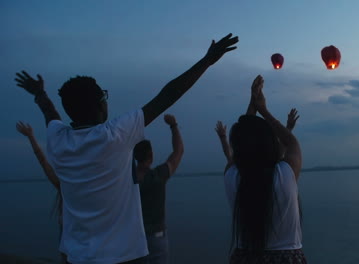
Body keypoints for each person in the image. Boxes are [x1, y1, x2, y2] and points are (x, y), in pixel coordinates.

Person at [14, 33, 238, 264]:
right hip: (122, 257)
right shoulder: (115, 135)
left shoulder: (58, 139)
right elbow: (168, 95)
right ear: (100, 104)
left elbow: (50, 114)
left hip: (77, 256)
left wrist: (40, 94)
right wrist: (207, 61)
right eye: (105, 96)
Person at [221, 75, 306, 263]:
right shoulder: (284, 175)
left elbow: (244, 146)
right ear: (271, 146)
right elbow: (292, 143)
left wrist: (253, 105)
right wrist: (263, 110)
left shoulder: (232, 177)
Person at [134, 114, 183, 264]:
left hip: (132, 240)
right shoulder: (158, 176)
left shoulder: (126, 180)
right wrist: (173, 125)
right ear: (151, 155)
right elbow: (178, 151)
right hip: (156, 239)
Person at [15, 121, 67, 263]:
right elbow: (43, 161)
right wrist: (31, 136)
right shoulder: (64, 186)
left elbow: (43, 161)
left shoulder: (65, 186)